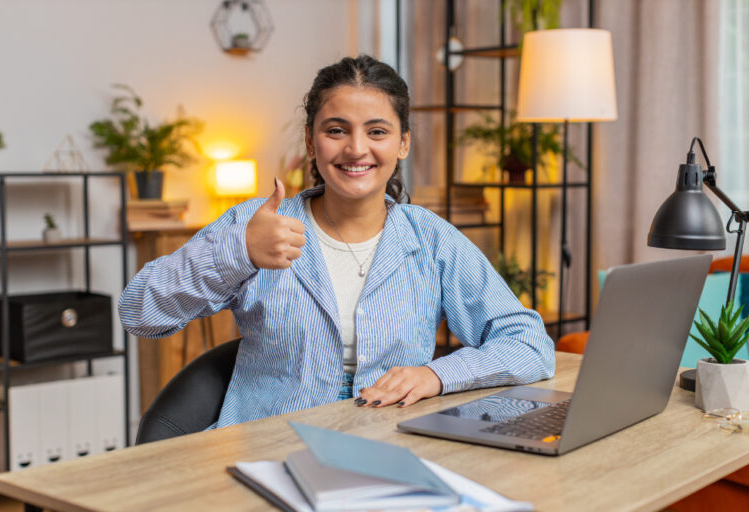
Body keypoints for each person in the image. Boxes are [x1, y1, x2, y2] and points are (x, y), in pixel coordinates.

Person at [119, 55, 555, 428]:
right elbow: (139, 311)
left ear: (403, 143)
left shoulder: (432, 240)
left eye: (378, 132)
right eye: (336, 130)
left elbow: (529, 344)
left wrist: (436, 375)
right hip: (267, 453)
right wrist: (237, 253)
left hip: (388, 455)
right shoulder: (258, 225)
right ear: (310, 140)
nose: (356, 148)